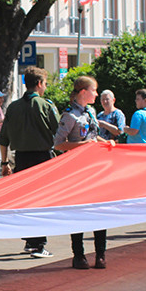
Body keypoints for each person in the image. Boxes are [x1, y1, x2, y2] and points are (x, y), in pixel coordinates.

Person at [0, 66, 60, 258]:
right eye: (45, 84)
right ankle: (39, 244)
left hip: (22, 159)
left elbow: (3, 139)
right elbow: (58, 133)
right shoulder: (46, 105)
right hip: (42, 159)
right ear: (40, 84)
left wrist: (4, 163)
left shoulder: (13, 107)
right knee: (42, 201)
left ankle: (30, 240)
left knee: (26, 200)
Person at [53, 75, 107, 270]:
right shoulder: (69, 115)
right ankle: (79, 254)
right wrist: (82, 145)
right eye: (94, 90)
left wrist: (106, 143)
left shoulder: (91, 112)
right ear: (83, 91)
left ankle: (100, 253)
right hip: (76, 172)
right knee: (79, 212)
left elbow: (94, 136)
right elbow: (58, 144)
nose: (96, 94)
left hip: (95, 169)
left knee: (100, 211)